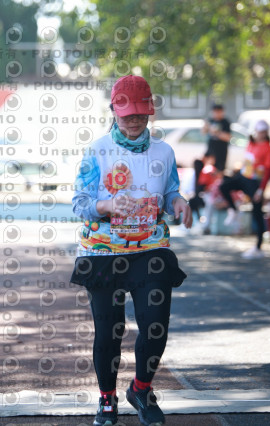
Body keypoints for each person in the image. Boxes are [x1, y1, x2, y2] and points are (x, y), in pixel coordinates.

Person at [70, 75, 192, 426]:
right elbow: (79, 203)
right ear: (114, 112)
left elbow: (170, 192)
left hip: (151, 249)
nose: (135, 121)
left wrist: (179, 202)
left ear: (150, 112)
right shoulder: (97, 151)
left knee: (156, 325)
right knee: (110, 330)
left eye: (141, 114)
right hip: (103, 252)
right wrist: (107, 206)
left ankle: (141, 389)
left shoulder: (164, 152)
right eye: (127, 116)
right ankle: (106, 398)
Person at [219, 119, 270, 258]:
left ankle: (258, 247)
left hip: (254, 183)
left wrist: (261, 190)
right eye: (260, 131)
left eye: (263, 132)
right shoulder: (251, 143)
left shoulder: (267, 148)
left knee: (257, 213)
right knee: (224, 186)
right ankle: (233, 210)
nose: (261, 134)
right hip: (243, 177)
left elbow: (268, 171)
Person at [202, 104, 231, 172]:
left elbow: (228, 137)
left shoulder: (225, 122)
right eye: (215, 111)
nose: (216, 113)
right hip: (210, 149)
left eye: (218, 111)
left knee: (218, 171)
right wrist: (206, 127)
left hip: (221, 151)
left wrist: (216, 132)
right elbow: (203, 132)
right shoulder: (210, 121)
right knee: (206, 169)